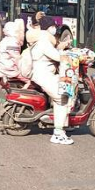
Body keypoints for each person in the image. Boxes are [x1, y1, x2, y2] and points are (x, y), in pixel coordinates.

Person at [29, 15, 73, 145]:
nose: (55, 29)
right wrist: (72, 56)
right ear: (49, 27)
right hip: (44, 75)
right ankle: (58, 133)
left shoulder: (44, 39)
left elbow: (54, 52)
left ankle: (63, 125)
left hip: (42, 74)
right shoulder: (44, 41)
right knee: (62, 98)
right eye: (53, 26)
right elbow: (58, 57)